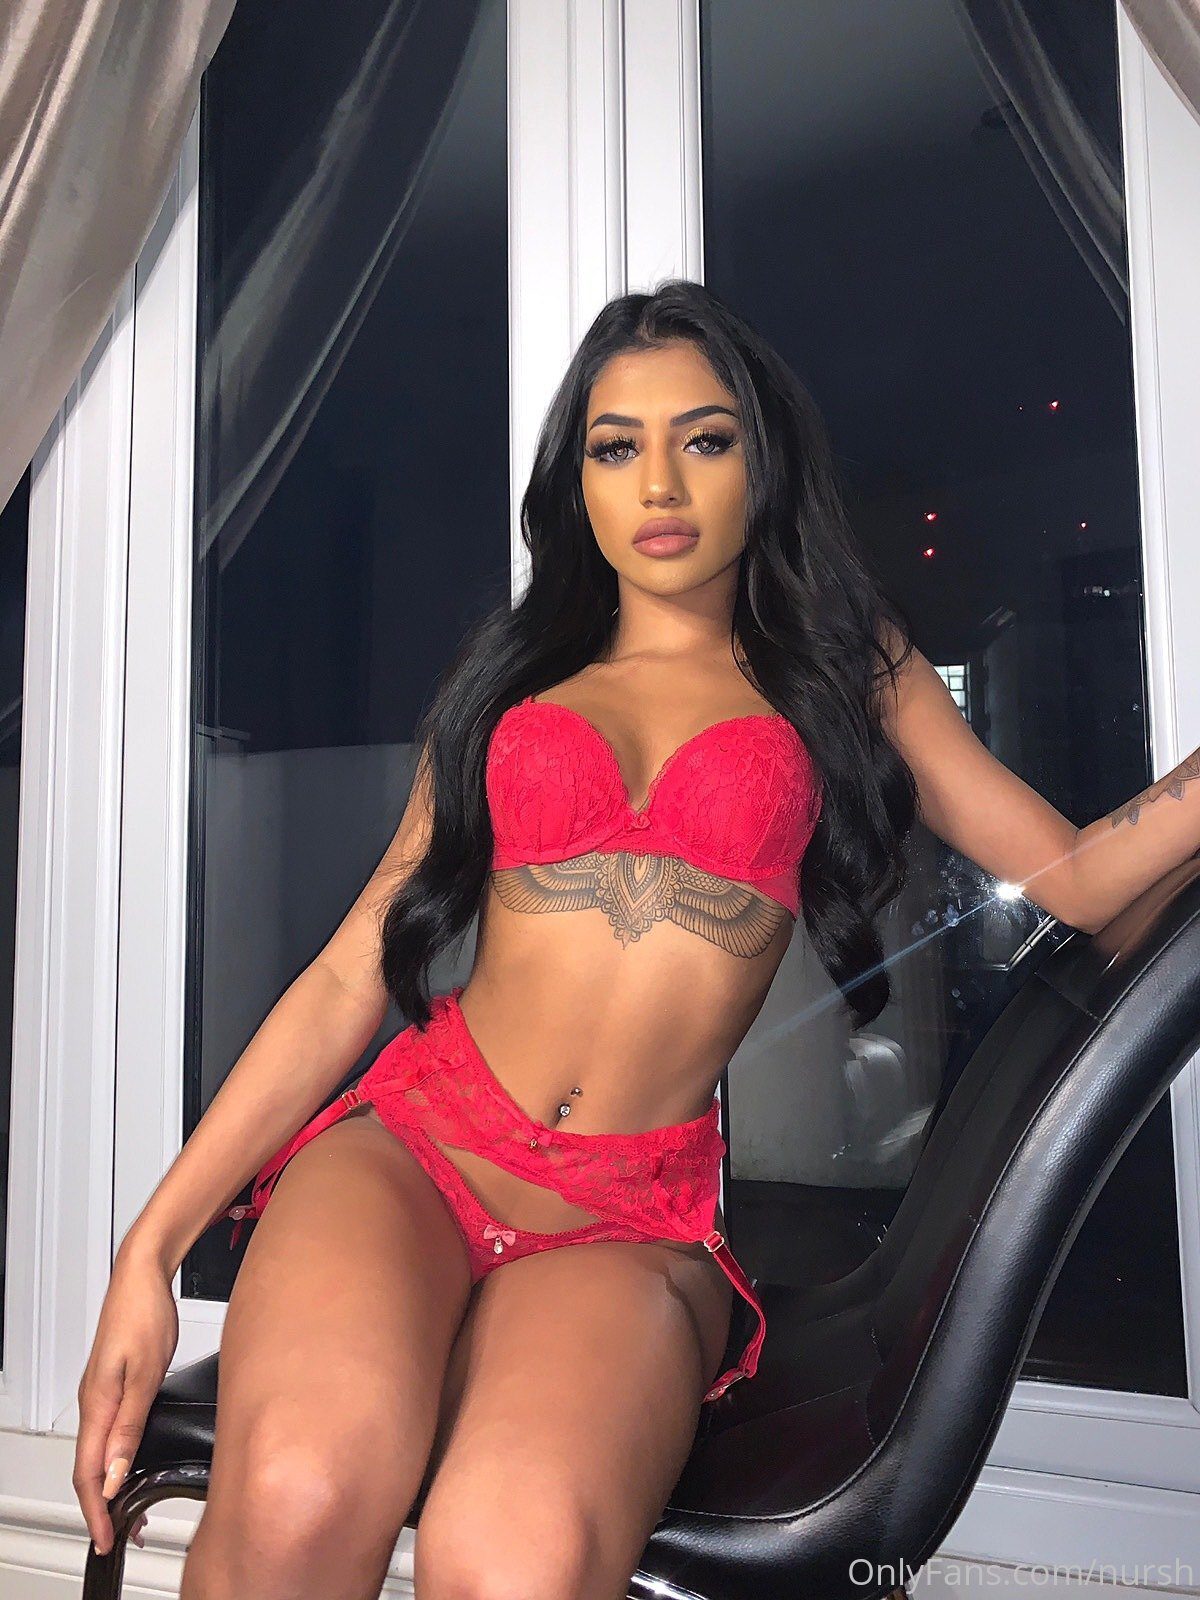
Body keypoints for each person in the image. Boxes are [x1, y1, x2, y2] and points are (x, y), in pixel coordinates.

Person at [74, 280, 1200, 1597]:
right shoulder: (517, 675)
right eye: (617, 447)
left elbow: (1076, 877)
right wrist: (149, 1251)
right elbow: (346, 975)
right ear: (581, 480)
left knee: (520, 1559)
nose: (659, 483)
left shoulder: (848, 671)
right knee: (298, 1492)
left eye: (704, 439)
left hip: (629, 1218)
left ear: (762, 463)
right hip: (418, 1155)